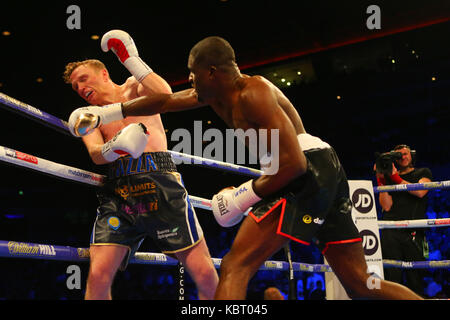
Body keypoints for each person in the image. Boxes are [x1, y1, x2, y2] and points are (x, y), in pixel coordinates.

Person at [68, 36, 424, 300]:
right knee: (361, 284)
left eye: (193, 75)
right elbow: (167, 99)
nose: (190, 83)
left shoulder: (253, 93)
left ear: (211, 71)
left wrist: (242, 196)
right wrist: (106, 114)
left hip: (305, 170)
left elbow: (294, 164)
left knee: (236, 266)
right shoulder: (214, 91)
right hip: (316, 167)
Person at [63, 30, 218, 300]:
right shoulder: (87, 117)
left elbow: (164, 94)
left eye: (83, 79)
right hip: (118, 193)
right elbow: (97, 154)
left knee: (203, 273)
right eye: (75, 87)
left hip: (160, 181)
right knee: (98, 276)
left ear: (103, 74)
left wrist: (130, 58)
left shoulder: (133, 87)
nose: (80, 88)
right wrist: (117, 146)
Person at [375, 144, 432, 297]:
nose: (403, 157)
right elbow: (386, 207)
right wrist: (382, 181)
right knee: (393, 277)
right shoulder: (390, 179)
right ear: (395, 159)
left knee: (416, 279)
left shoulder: (423, 172)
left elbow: (420, 191)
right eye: (399, 155)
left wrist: (397, 179)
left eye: (406, 154)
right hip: (391, 231)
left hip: (414, 231)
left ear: (411, 155)